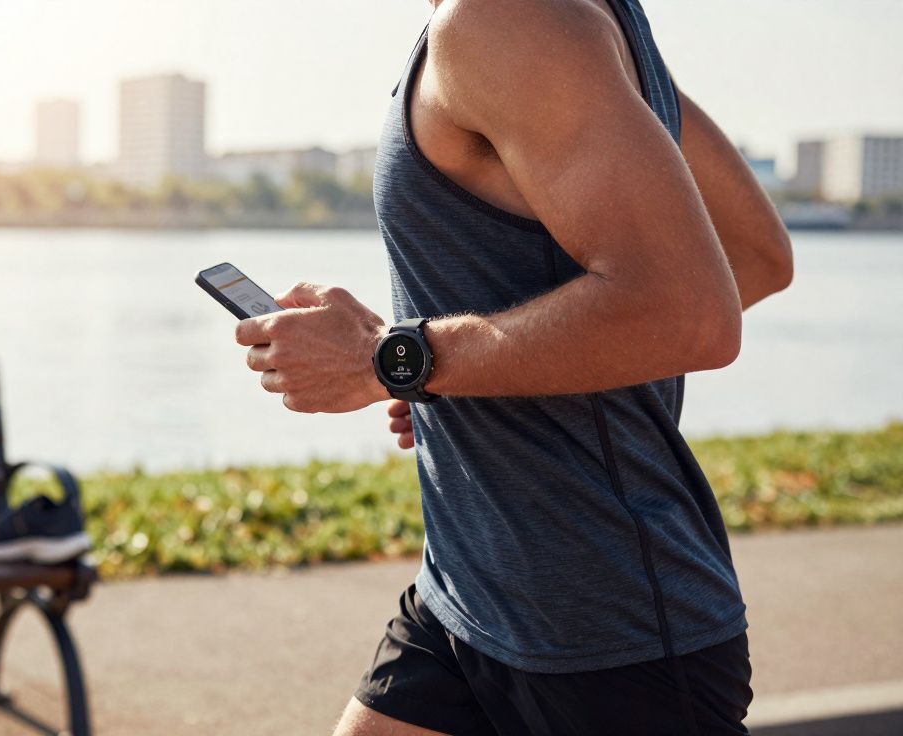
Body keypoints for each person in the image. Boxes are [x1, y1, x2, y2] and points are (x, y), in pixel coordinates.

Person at [233, 0, 793, 733]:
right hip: (468, 596)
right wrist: (452, 373)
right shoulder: (579, 25)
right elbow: (755, 257)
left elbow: (691, 311)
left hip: (603, 634)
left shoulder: (507, 18)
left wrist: (396, 359)